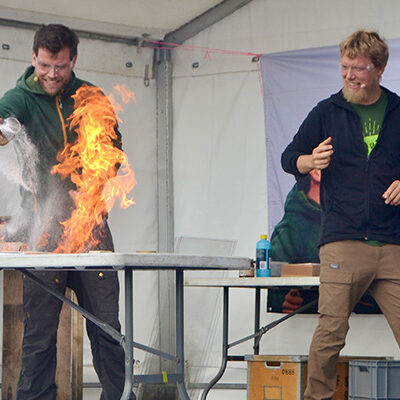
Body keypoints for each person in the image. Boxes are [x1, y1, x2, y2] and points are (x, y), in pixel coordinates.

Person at [0, 24, 133, 400]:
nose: (51, 74)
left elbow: (114, 153)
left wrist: (98, 173)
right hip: (43, 232)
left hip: (92, 228)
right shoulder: (20, 98)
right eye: (44, 65)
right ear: (33, 58)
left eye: (59, 66)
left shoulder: (91, 97)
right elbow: (3, 120)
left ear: (73, 60)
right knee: (39, 333)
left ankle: (120, 396)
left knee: (107, 327)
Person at [281, 30, 400, 400]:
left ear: (379, 68)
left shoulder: (398, 111)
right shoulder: (327, 111)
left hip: (392, 244)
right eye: (345, 67)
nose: (349, 75)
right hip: (342, 243)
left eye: (358, 68)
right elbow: (289, 158)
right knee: (331, 333)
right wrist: (309, 160)